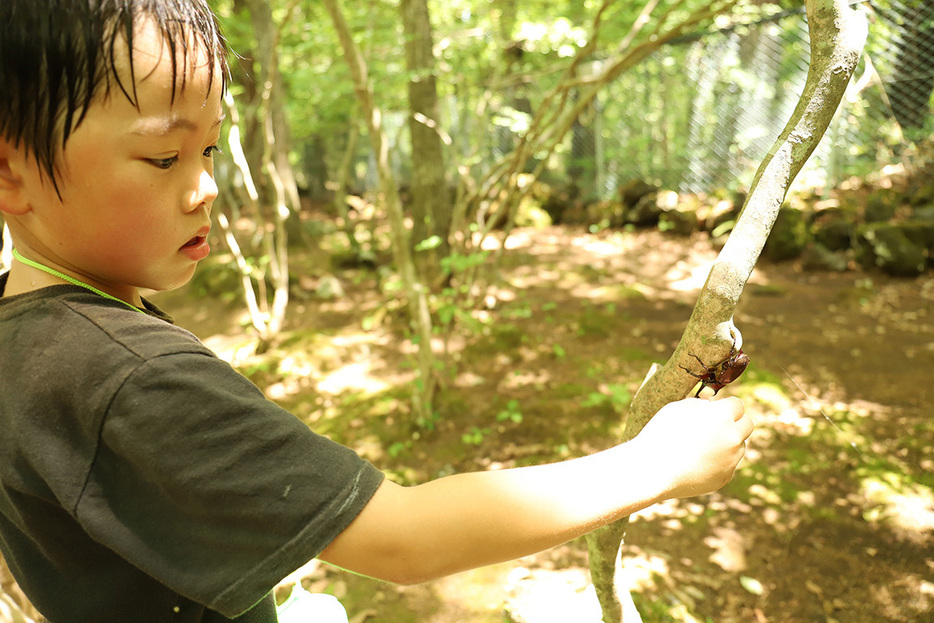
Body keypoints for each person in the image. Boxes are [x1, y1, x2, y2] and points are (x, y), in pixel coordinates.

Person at [0, 1, 755, 621]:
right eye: (165, 157)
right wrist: (653, 465)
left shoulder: (25, 333)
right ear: (13, 170)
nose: (203, 187)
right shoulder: (130, 379)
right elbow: (405, 538)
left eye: (212, 150)